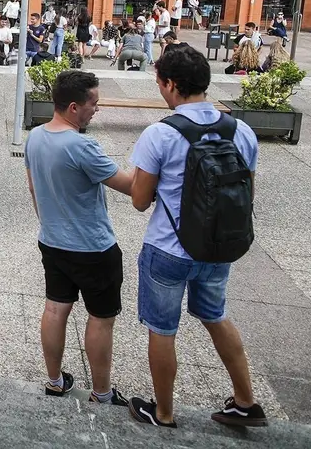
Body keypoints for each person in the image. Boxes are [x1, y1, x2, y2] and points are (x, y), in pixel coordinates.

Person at [127, 45, 265, 429]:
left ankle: (164, 412)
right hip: (219, 246)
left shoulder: (160, 134)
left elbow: (139, 201)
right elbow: (248, 192)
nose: (160, 89)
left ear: (171, 84)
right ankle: (246, 401)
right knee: (216, 316)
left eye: (160, 82)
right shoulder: (242, 131)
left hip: (168, 250)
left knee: (162, 329)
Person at [25, 71, 133, 407]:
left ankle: (55, 381)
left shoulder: (35, 137)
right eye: (93, 103)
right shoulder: (82, 146)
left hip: (52, 241)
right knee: (100, 318)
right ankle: (101, 393)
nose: (96, 109)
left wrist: (51, 224)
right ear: (74, 107)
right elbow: (129, 186)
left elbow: (33, 188)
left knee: (55, 308)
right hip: (93, 248)